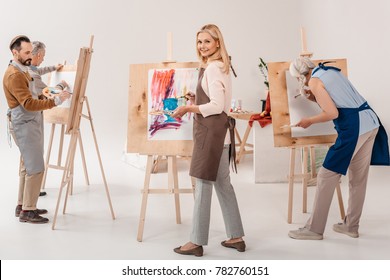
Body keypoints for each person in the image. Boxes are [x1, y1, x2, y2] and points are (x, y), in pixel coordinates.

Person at [287, 57, 389, 240]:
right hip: (371, 122)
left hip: (354, 127)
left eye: (297, 78)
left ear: (301, 76)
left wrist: (309, 120)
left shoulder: (315, 81)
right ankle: (351, 226)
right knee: (358, 179)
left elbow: (332, 113)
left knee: (326, 175)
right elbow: (338, 101)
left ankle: (314, 229)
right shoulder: (329, 71)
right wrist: (312, 97)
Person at [171, 24, 245, 257]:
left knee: (203, 184)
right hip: (219, 132)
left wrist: (188, 107)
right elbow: (218, 101)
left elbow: (217, 105)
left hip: (210, 134)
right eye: (199, 42)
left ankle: (196, 241)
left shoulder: (213, 68)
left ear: (217, 43)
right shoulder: (223, 66)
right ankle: (236, 237)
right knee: (223, 184)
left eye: (206, 42)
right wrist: (197, 97)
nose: (202, 46)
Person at [3, 35, 70, 224]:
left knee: (27, 166)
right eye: (26, 52)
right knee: (36, 168)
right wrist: (56, 100)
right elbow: (28, 104)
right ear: (14, 53)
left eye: (31, 52)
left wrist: (51, 86)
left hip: (27, 123)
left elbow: (36, 84)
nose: (30, 56)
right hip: (24, 124)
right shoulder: (15, 74)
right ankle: (28, 212)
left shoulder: (22, 68)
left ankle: (23, 205)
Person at [28, 40, 69, 197]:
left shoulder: (29, 68)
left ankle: (31, 191)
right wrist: (62, 85)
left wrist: (53, 68)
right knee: (34, 158)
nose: (43, 59)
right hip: (31, 120)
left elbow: (40, 70)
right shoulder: (31, 75)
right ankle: (31, 193)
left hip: (30, 119)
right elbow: (48, 91)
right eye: (43, 56)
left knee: (31, 158)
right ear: (37, 55)